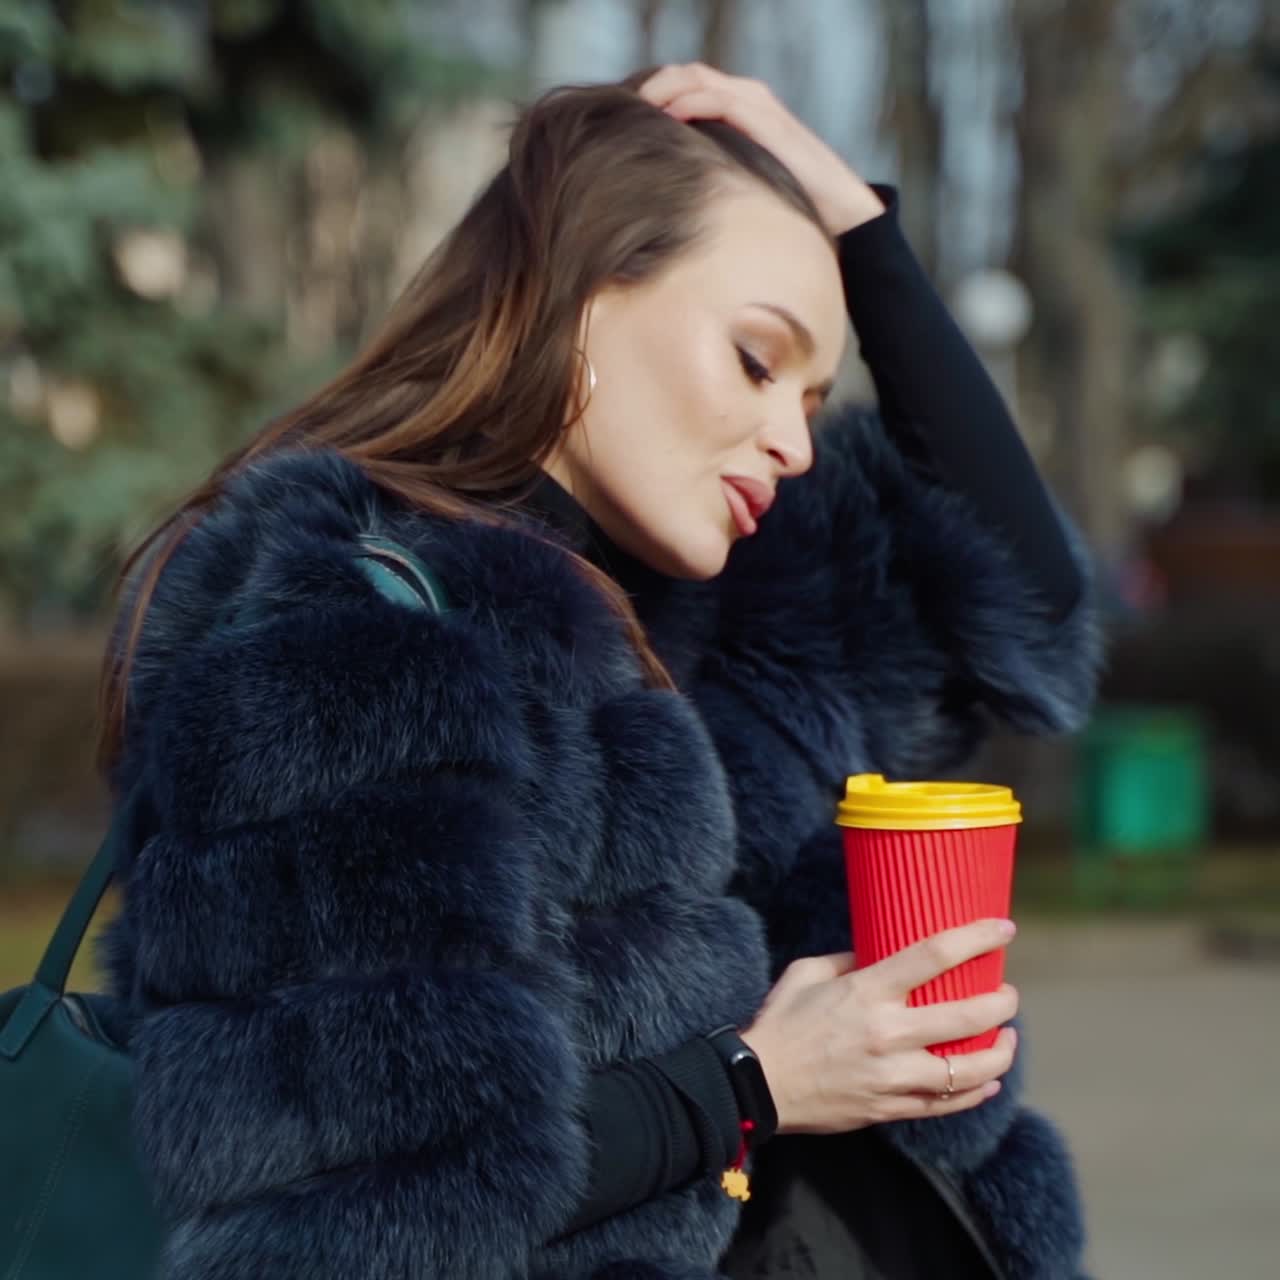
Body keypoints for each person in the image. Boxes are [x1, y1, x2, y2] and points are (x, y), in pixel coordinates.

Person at [95, 64, 1100, 1280]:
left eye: (816, 393)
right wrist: (759, 1080)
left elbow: (1023, 609)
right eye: (753, 359)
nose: (792, 437)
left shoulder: (723, 603)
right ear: (579, 295)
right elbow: (345, 1214)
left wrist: (857, 225)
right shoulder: (356, 630)